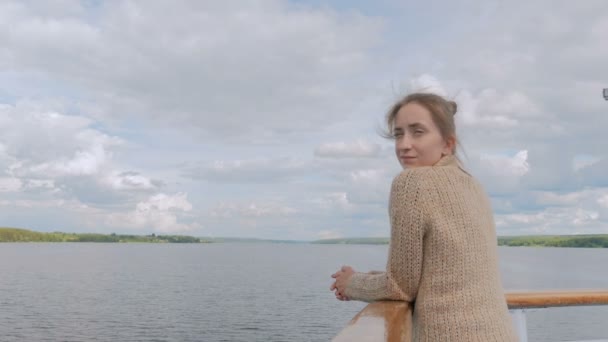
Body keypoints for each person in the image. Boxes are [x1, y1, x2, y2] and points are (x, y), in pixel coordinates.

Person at [330, 92, 518, 341]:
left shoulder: (412, 183)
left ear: (447, 144)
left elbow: (400, 286)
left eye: (417, 132)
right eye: (399, 134)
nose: (403, 145)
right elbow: (433, 273)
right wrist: (367, 277)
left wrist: (351, 284)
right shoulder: (473, 185)